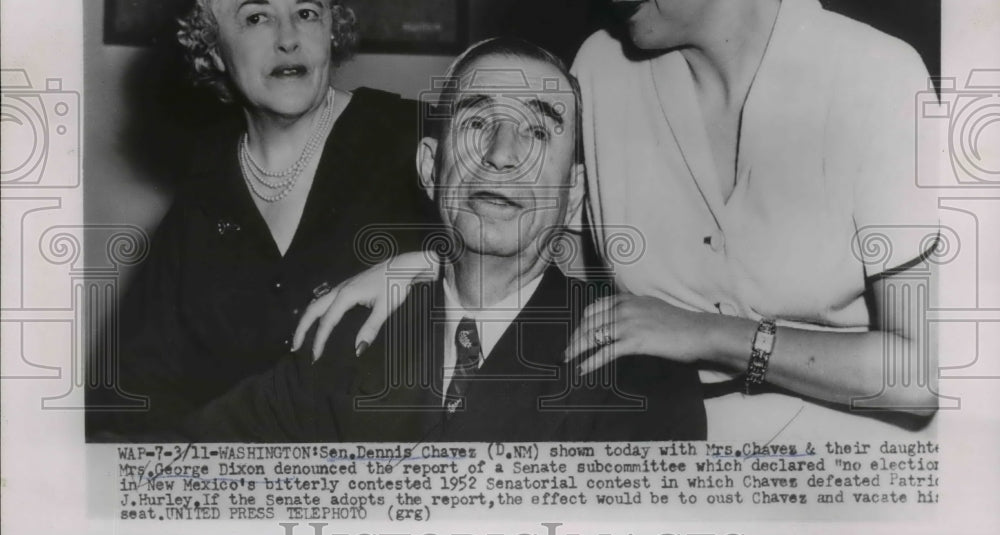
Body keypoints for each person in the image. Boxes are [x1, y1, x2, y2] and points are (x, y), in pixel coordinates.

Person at [296, 0, 942, 440]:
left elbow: (917, 374)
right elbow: (555, 267)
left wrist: (711, 335)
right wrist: (433, 271)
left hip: (838, 475)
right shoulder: (601, 71)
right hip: (652, 453)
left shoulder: (875, 77)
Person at [179, 38, 706, 442]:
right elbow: (181, 469)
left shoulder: (637, 368)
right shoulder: (346, 340)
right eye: (477, 122)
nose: (502, 154)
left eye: (538, 132)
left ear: (574, 197)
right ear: (431, 168)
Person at [87, 0, 431, 440]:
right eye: (256, 18)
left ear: (332, 31)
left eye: (307, 13)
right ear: (211, 46)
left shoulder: (414, 137)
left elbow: (547, 243)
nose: (288, 39)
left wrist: (431, 264)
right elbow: (134, 394)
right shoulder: (204, 191)